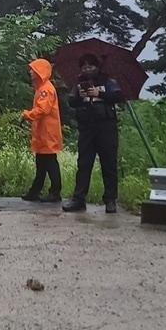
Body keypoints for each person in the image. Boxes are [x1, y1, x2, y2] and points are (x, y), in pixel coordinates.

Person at [63, 53, 124, 214]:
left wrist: (99, 94)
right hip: (86, 128)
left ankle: (110, 200)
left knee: (109, 164)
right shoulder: (78, 84)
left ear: (97, 67)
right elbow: (71, 102)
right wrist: (79, 97)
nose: (87, 69)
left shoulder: (108, 81)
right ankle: (78, 199)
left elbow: (118, 96)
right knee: (83, 164)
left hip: (106, 127)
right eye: (84, 66)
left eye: (90, 66)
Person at [20, 58, 62, 202]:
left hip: (47, 133)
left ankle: (55, 193)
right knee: (42, 164)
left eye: (33, 69)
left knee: (50, 163)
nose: (30, 71)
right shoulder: (41, 88)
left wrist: (27, 114)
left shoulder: (45, 89)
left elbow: (42, 109)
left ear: (40, 71)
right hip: (43, 133)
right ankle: (35, 191)